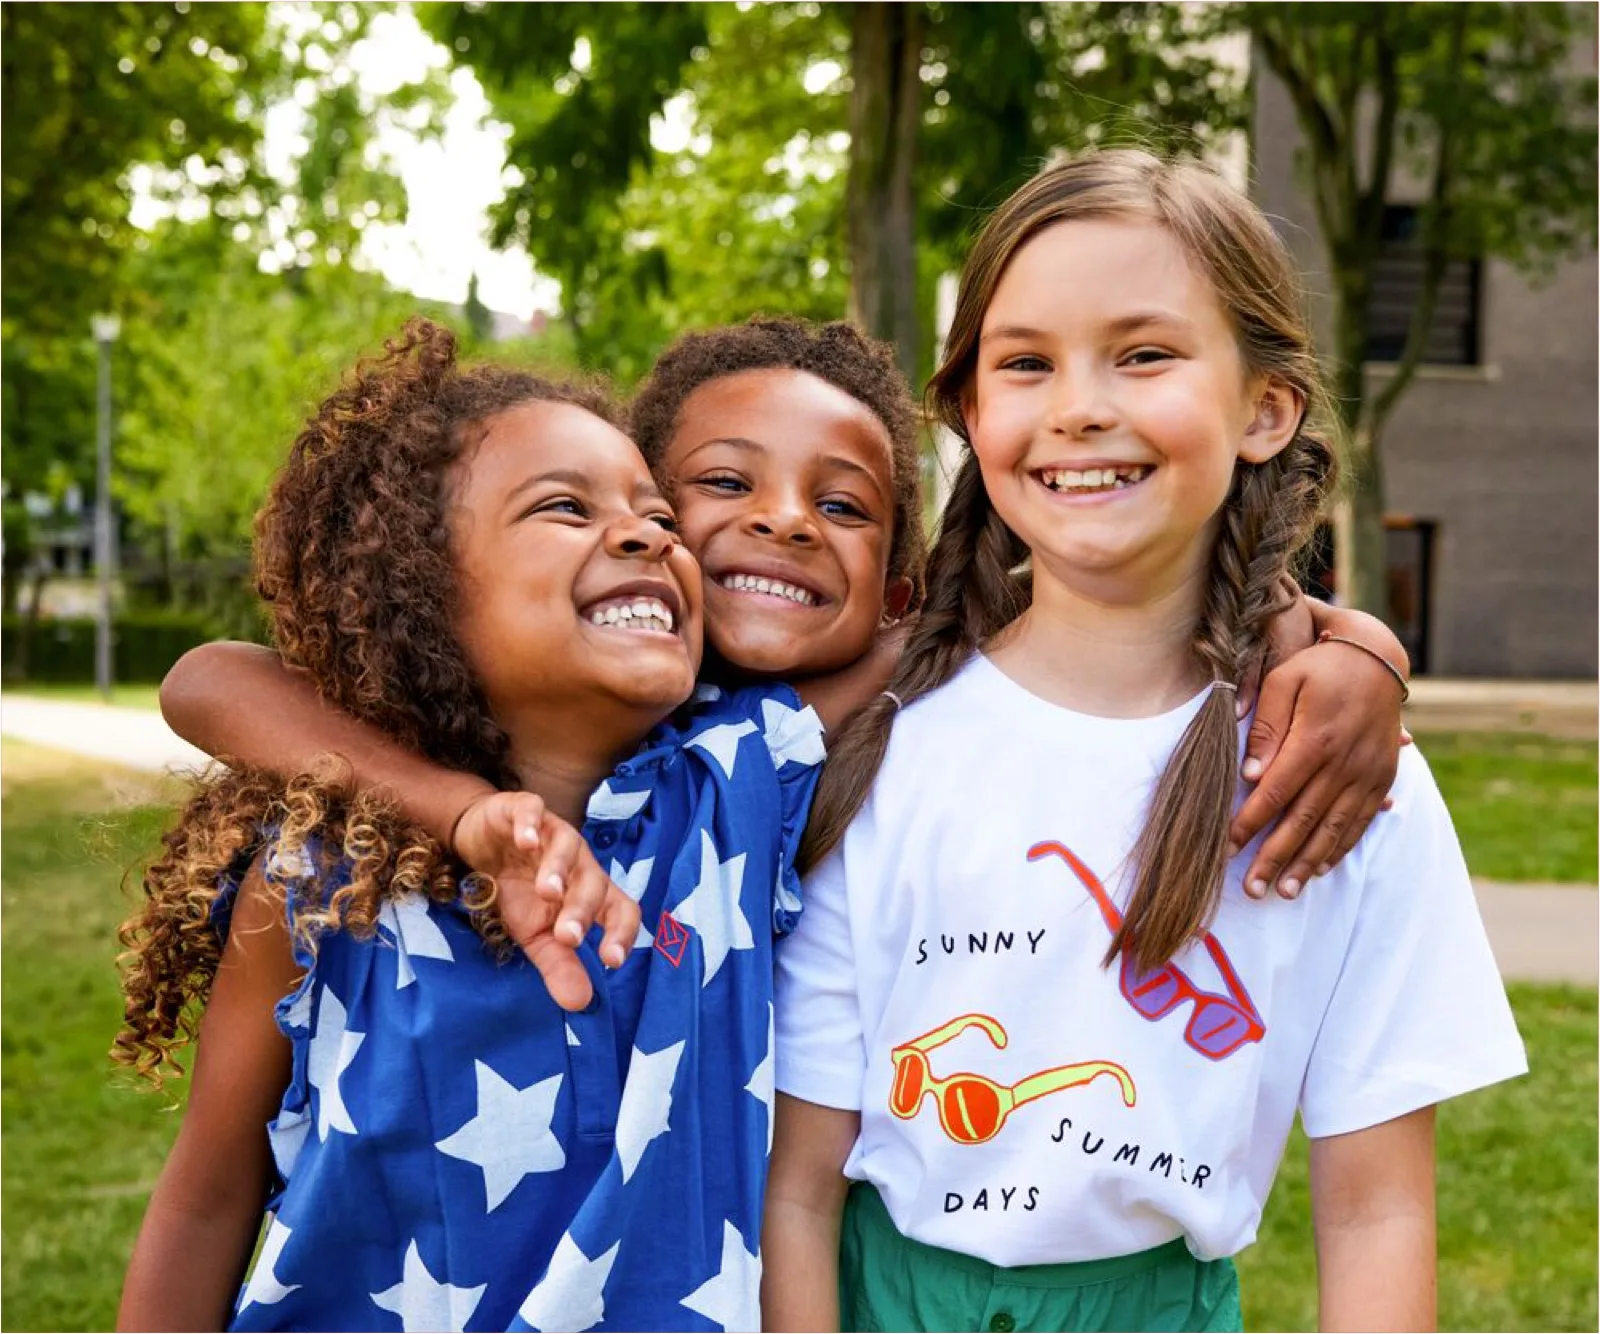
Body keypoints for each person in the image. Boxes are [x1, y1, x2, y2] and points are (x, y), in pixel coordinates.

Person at [762, 150, 1526, 1334]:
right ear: (972, 412)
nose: (1077, 405)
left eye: (1143, 353)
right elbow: (800, 1190)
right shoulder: (878, 751)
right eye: (1026, 362)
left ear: (1265, 408)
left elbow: (1376, 1213)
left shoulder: (1346, 787)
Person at [159, 315, 1415, 995]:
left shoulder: (867, 716)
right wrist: (463, 810)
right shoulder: (528, 718)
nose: (784, 521)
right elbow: (210, 677)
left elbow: (1107, 590)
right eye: (714, 486)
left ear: (899, 599)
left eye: (844, 505)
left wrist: (1355, 646)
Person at [114, 320, 830, 1331]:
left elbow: (964, 638)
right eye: (565, 507)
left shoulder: (737, 782)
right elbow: (206, 1197)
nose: (649, 537)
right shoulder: (320, 883)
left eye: (658, 514)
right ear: (420, 592)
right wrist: (464, 815)